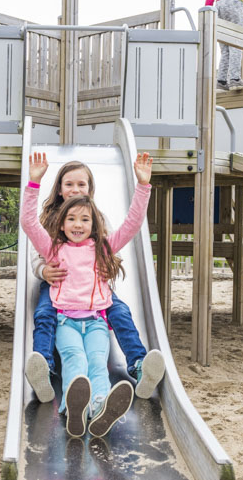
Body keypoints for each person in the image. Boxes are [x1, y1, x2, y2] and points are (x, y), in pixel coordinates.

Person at [20, 151, 154, 438]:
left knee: (97, 362)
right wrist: (33, 183)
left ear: (95, 224)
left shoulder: (102, 247)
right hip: (66, 316)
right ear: (61, 223)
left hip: (96, 319)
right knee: (75, 361)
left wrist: (143, 186)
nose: (78, 225)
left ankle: (102, 406)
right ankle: (71, 405)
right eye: (71, 220)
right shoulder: (54, 247)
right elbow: (30, 224)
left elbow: (132, 224)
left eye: (84, 220)